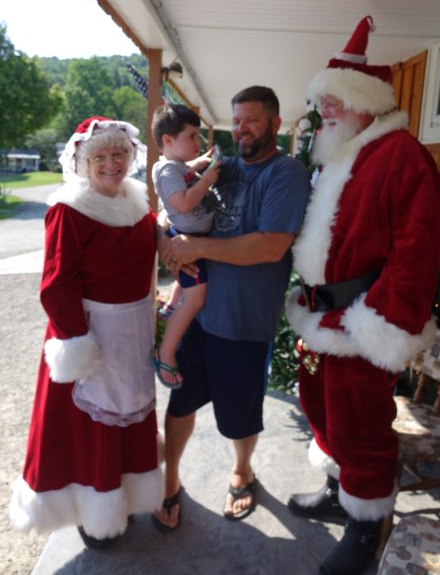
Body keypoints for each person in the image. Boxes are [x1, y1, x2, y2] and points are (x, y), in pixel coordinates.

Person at [285, 16, 440, 575]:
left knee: (361, 427)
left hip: (360, 322)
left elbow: (417, 250)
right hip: (321, 317)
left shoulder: (401, 156)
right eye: (321, 100)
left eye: (336, 100)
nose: (324, 109)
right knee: (323, 414)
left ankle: (367, 525)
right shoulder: (343, 153)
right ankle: (340, 491)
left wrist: (380, 323)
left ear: (367, 102)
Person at [152, 85, 310, 530]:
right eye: (236, 120)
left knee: (239, 415)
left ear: (275, 124)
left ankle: (242, 471)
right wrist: (168, 239)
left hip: (243, 319)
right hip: (197, 313)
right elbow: (174, 202)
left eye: (252, 120)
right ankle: (171, 481)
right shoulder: (226, 168)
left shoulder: (285, 173)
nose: (241, 129)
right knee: (181, 401)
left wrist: (194, 246)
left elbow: (270, 247)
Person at [10, 116, 164, 548]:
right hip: (89, 338)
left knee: (127, 419)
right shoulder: (69, 210)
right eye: (101, 156)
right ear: (83, 162)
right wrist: (77, 342)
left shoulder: (137, 203)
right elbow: (56, 285)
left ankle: (125, 497)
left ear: (131, 156)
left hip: (130, 334)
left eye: (119, 154)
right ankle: (94, 512)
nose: (112, 164)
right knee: (89, 429)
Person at [151, 104, 220, 387]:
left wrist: (201, 161)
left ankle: (169, 309)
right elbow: (182, 202)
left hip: (192, 238)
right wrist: (207, 180)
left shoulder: (173, 165)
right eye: (192, 136)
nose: (198, 142)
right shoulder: (168, 171)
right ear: (168, 140)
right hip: (189, 241)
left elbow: (183, 169)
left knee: (188, 286)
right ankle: (166, 351)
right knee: (197, 298)